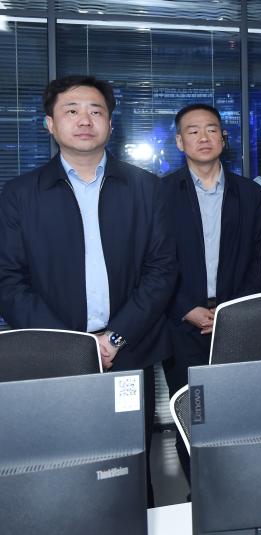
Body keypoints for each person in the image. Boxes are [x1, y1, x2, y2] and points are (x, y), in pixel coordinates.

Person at [0, 75, 176, 506]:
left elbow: (161, 271)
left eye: (96, 111)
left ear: (110, 125)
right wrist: (73, 346)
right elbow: (8, 279)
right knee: (60, 474)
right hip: (52, 359)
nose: (84, 120)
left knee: (130, 473)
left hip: (127, 353)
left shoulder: (146, 187)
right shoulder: (20, 194)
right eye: (71, 111)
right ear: (49, 124)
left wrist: (114, 337)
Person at [159, 103, 261, 480]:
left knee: (241, 413)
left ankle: (239, 491)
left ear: (224, 137)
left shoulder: (249, 193)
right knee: (191, 416)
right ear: (179, 141)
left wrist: (231, 311)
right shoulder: (160, 193)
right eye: (193, 131)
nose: (203, 137)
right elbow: (151, 262)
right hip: (182, 323)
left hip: (235, 323)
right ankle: (198, 494)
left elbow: (260, 258)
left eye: (211, 129)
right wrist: (183, 307)